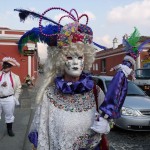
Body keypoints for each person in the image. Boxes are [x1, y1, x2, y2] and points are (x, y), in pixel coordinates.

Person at [16, 7, 111, 150]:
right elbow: (42, 136)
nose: (75, 62)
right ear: (60, 59)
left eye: (80, 57)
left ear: (85, 59)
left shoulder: (95, 91)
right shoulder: (50, 94)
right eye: (69, 57)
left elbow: (107, 117)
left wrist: (107, 126)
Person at [0, 57, 21, 136]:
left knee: (9, 115)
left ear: (10, 67)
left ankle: (9, 129)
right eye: (5, 65)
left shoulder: (16, 77)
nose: (6, 67)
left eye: (8, 66)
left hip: (9, 99)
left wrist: (15, 98)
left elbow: (18, 88)